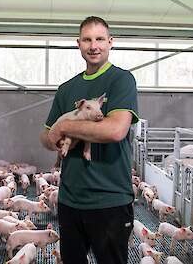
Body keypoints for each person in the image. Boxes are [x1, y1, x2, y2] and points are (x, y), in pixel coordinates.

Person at [39, 16, 139, 264]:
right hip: (69, 199)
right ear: (79, 44)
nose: (94, 46)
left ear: (110, 42)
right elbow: (46, 137)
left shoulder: (121, 80)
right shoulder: (66, 89)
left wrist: (66, 127)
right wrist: (55, 135)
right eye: (87, 39)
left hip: (110, 199)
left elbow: (115, 130)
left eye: (100, 39)